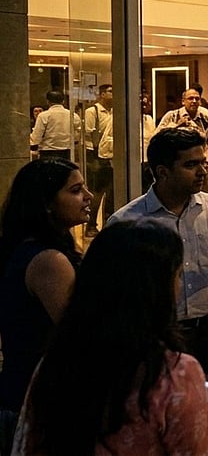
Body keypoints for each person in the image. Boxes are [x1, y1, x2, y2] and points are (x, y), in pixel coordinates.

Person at [11, 220, 208, 455]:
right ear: (156, 290)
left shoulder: (54, 364)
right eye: (178, 275)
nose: (179, 286)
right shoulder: (172, 374)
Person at [109, 128, 208, 374]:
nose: (203, 171)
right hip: (158, 336)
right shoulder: (127, 221)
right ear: (163, 172)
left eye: (204, 162)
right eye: (190, 165)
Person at [0, 159, 87, 452]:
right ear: (47, 204)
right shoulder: (48, 260)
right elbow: (77, 332)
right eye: (76, 190)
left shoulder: (29, 248)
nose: (88, 197)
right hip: (39, 400)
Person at [156, 86, 208, 194]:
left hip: (203, 163)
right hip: (178, 163)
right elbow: (157, 137)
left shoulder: (206, 118)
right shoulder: (172, 116)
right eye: (190, 98)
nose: (194, 101)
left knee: (205, 195)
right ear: (183, 101)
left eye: (197, 98)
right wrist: (176, 125)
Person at [83, 84, 115, 236]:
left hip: (110, 154)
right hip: (95, 154)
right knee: (97, 191)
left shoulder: (114, 111)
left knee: (111, 190)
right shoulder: (92, 111)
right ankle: (90, 224)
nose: (113, 94)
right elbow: (88, 133)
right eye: (110, 91)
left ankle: (108, 223)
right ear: (102, 94)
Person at [29, 90, 78, 160]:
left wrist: (32, 144)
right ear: (63, 101)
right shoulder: (73, 115)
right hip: (67, 151)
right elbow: (77, 134)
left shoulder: (43, 116)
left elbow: (36, 137)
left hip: (48, 152)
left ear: (48, 101)